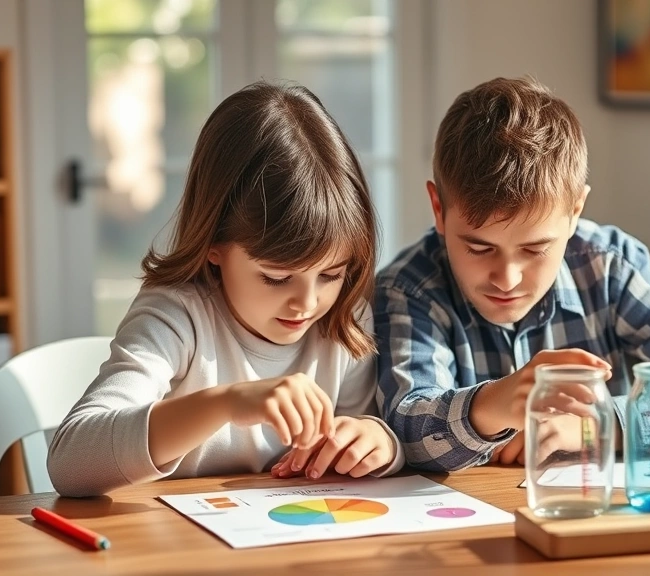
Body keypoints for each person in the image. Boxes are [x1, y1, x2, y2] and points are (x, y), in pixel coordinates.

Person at [374, 76, 650, 472]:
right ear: (438, 209)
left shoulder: (607, 267)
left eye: (535, 249)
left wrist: (602, 424)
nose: (507, 278)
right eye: (479, 248)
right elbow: (403, 429)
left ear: (575, 212)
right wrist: (491, 407)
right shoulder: (408, 290)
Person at [48, 81, 403, 497]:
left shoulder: (342, 318)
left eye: (330, 274)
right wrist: (227, 403)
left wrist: (380, 442)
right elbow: (69, 462)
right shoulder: (176, 316)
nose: (308, 303)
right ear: (215, 245)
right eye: (276, 277)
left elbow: (363, 430)